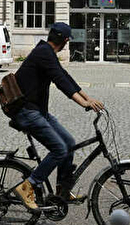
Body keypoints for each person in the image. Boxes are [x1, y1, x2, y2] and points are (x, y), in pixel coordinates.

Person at [8, 22, 103, 210]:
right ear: (65, 41)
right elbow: (60, 82)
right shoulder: (44, 53)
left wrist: (88, 97)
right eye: (68, 41)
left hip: (38, 111)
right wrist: (83, 103)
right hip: (27, 112)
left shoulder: (46, 52)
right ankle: (27, 187)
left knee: (69, 143)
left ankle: (62, 190)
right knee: (59, 149)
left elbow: (64, 76)